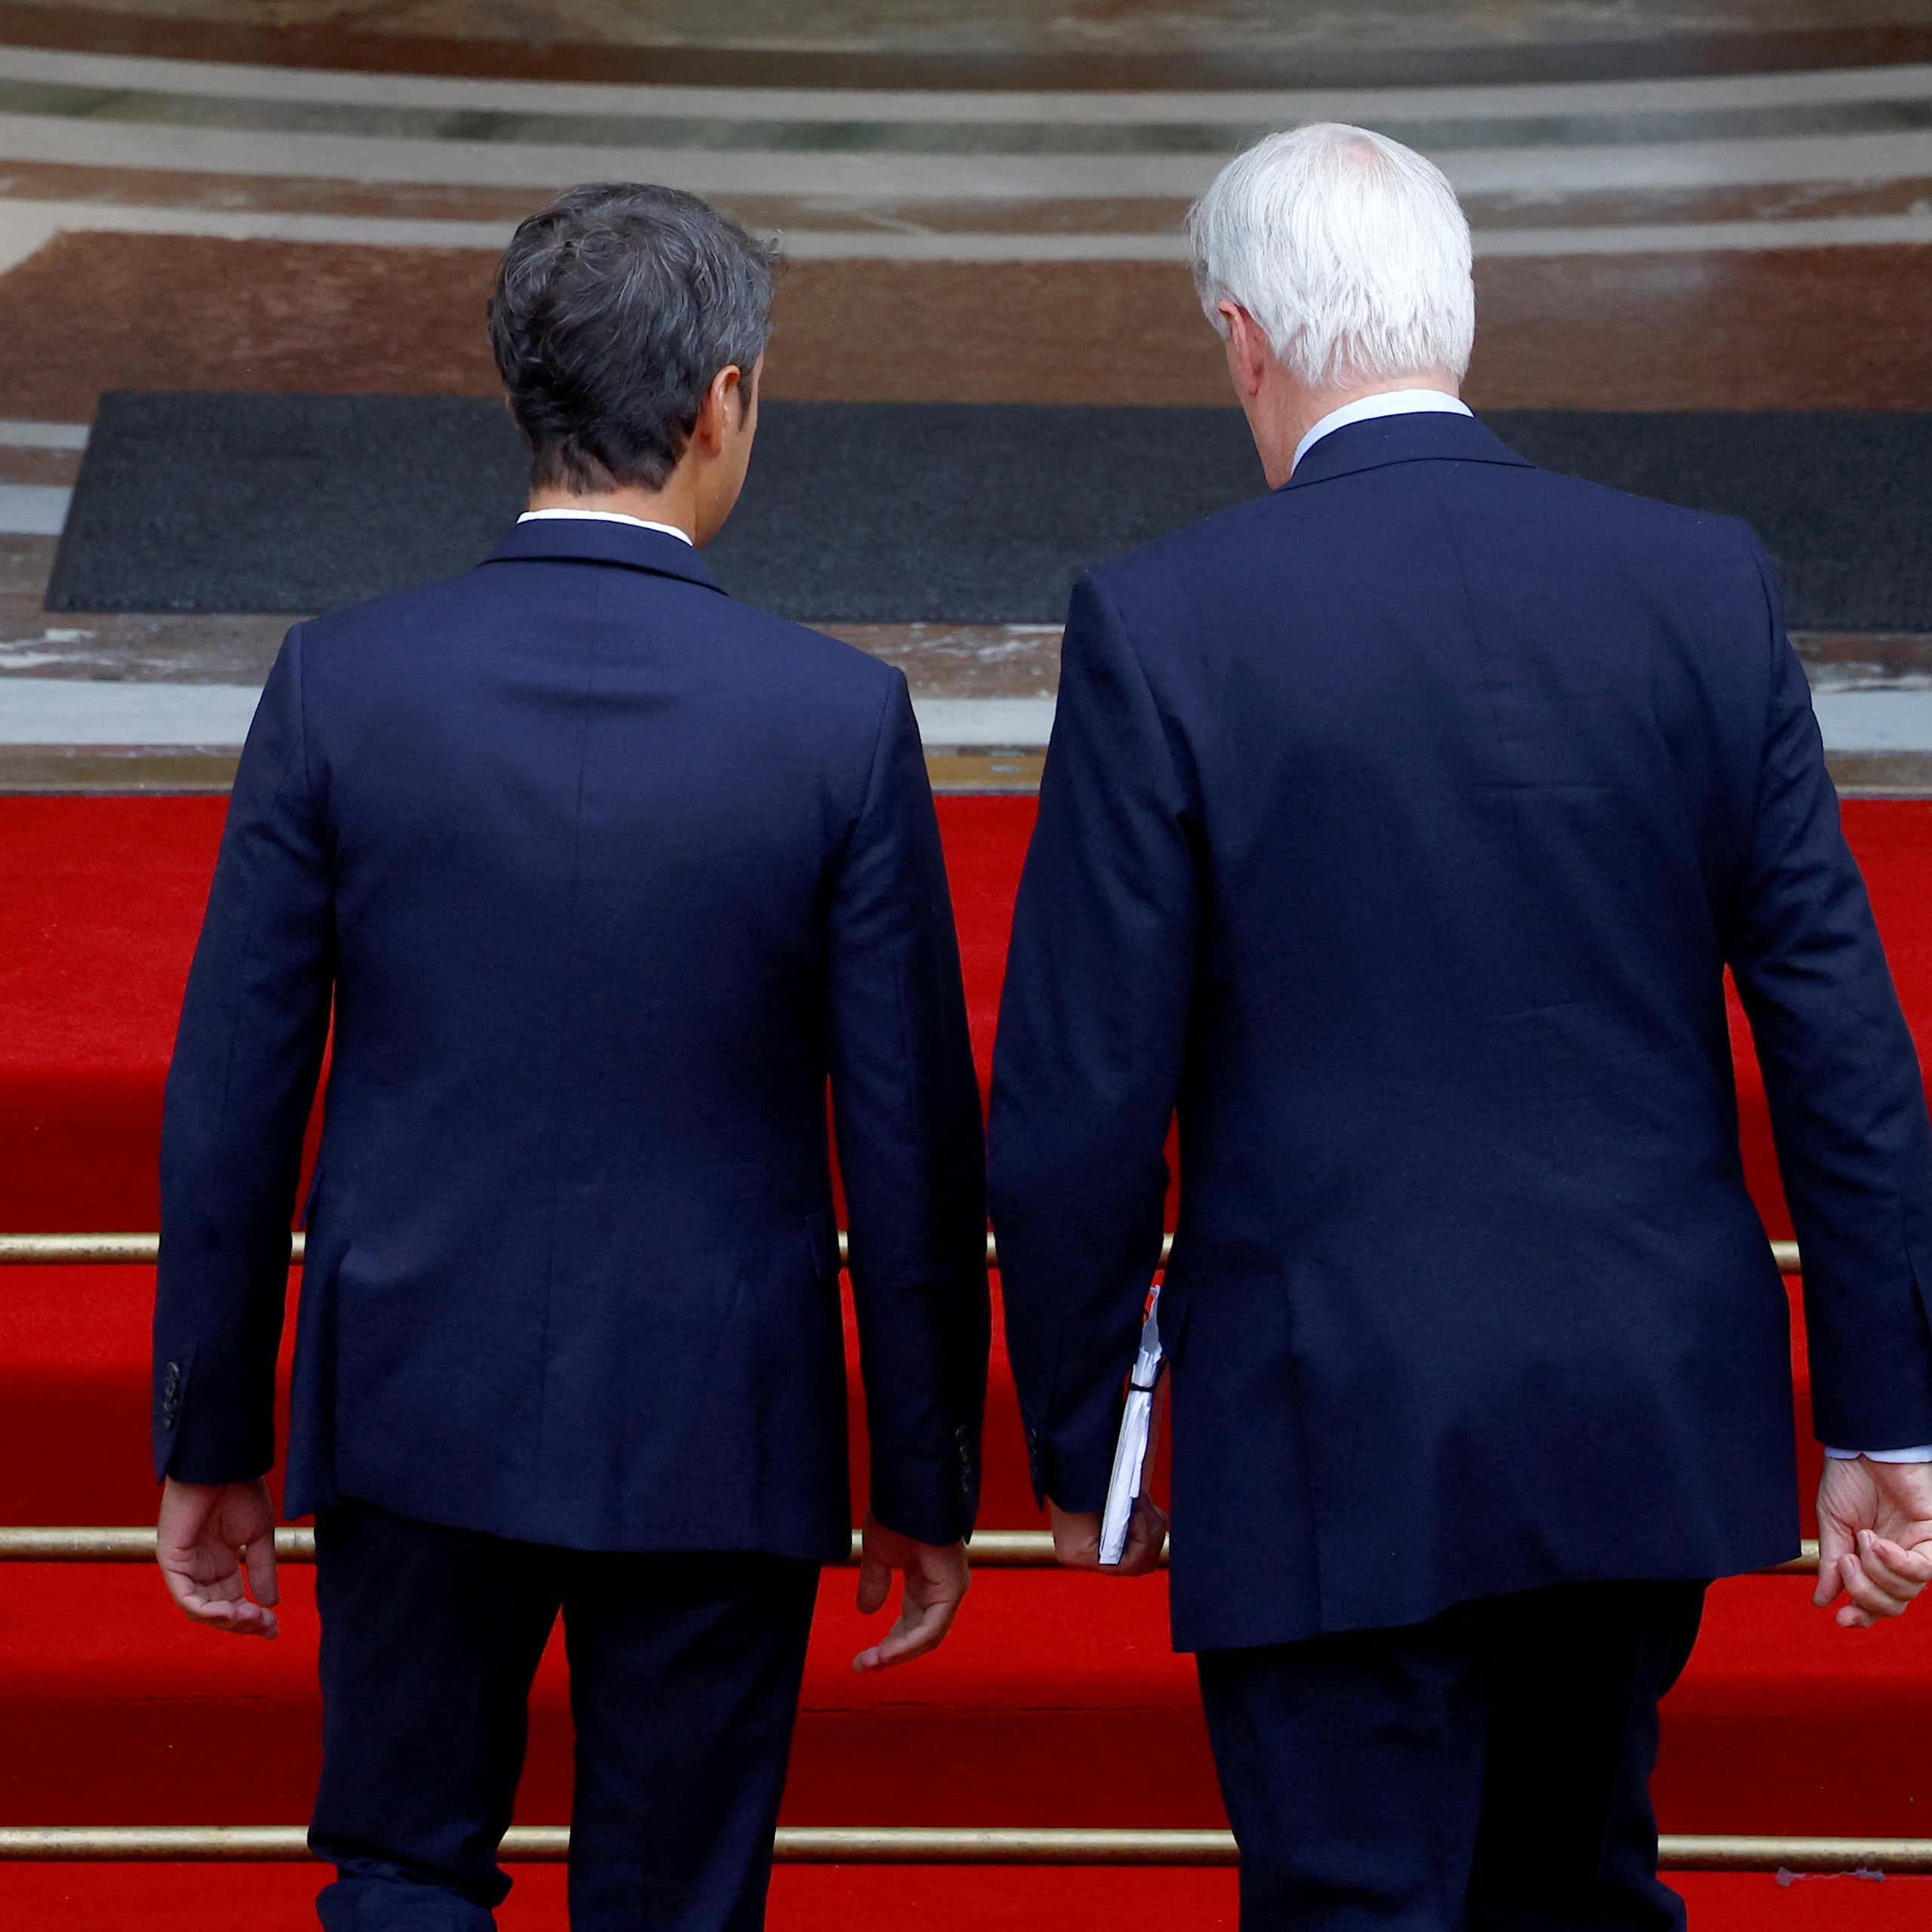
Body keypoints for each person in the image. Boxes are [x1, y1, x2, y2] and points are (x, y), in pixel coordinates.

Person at [988, 122, 1932, 1929]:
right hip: (1634, 1403)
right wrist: (1882, 1410)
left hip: (1324, 1417)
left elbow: (1076, 1091)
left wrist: (1089, 1433)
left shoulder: (1169, 620)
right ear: (1462, 316)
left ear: (1241, 337)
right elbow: (1836, 1027)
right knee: (1577, 1884)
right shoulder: (1697, 583)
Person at [150, 181, 989, 1932]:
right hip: (719, 1418)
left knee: (398, 1866)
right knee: (676, 1896)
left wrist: (208, 1427)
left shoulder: (340, 684)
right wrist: (923, 1474)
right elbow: (906, 1135)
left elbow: (234, 1094)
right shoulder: (835, 722)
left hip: (411, 1394)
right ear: (720, 402)